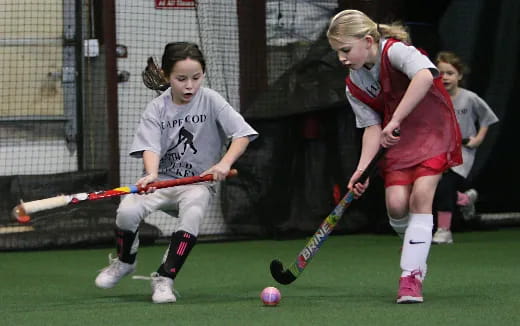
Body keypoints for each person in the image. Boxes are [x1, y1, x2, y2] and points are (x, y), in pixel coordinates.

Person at [94, 42, 258, 303]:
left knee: (192, 214)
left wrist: (224, 163)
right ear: (167, 76)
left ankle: (164, 278)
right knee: (127, 210)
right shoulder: (156, 109)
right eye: (181, 79)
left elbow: (242, 135)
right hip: (161, 182)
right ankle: (125, 261)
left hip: (198, 184)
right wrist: (150, 174)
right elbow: (150, 146)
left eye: (196, 77)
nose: (189, 85)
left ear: (203, 73)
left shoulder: (212, 100)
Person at [327, 10, 462, 304]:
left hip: (431, 129)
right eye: (338, 52)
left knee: (421, 196)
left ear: (367, 40)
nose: (342, 58)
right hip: (397, 138)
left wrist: (396, 119)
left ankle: (410, 275)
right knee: (397, 204)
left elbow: (426, 76)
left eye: (346, 50)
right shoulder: (355, 82)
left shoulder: (395, 50)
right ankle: (416, 252)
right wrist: (361, 171)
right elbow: (372, 128)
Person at [432, 51, 499, 244]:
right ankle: (464, 199)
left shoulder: (470, 98)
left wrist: (478, 139)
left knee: (444, 186)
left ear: (459, 76)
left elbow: (487, 118)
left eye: (450, 73)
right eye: (440, 72)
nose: (445, 77)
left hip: (462, 152)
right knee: (436, 188)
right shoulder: (434, 98)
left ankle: (444, 230)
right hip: (440, 152)